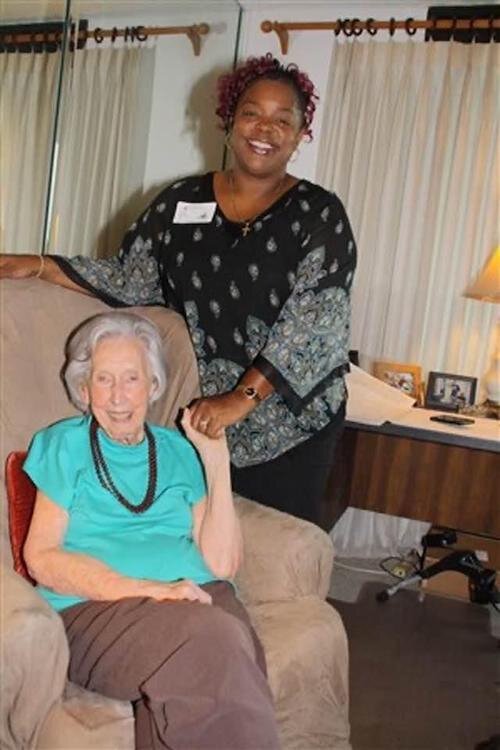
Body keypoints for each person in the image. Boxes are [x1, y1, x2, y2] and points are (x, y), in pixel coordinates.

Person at [1, 53, 357, 525]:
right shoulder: (180, 202)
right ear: (229, 121)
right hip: (204, 413)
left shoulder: (320, 214)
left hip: (291, 422)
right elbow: (130, 278)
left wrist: (239, 400)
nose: (264, 129)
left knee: (278, 541)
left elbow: (312, 325)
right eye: (252, 112)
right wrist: (43, 265)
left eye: (282, 119)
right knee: (201, 536)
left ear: (300, 134)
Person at [22, 311, 279, 750]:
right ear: (83, 389)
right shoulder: (62, 445)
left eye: (131, 379)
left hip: (199, 595)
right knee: (216, 641)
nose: (118, 396)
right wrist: (150, 589)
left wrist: (216, 461)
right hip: (97, 610)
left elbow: (223, 563)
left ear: (153, 386)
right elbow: (41, 557)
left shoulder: (180, 450)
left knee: (229, 652)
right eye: (103, 379)